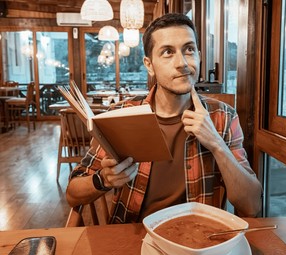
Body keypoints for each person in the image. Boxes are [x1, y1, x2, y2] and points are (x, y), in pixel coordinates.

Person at [66, 13, 262, 223]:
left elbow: (252, 205)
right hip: (133, 236)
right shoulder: (122, 115)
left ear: (199, 55)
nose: (182, 63)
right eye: (168, 52)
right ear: (149, 65)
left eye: (189, 49)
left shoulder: (223, 116)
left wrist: (216, 144)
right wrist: (103, 179)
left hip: (199, 240)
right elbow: (72, 193)